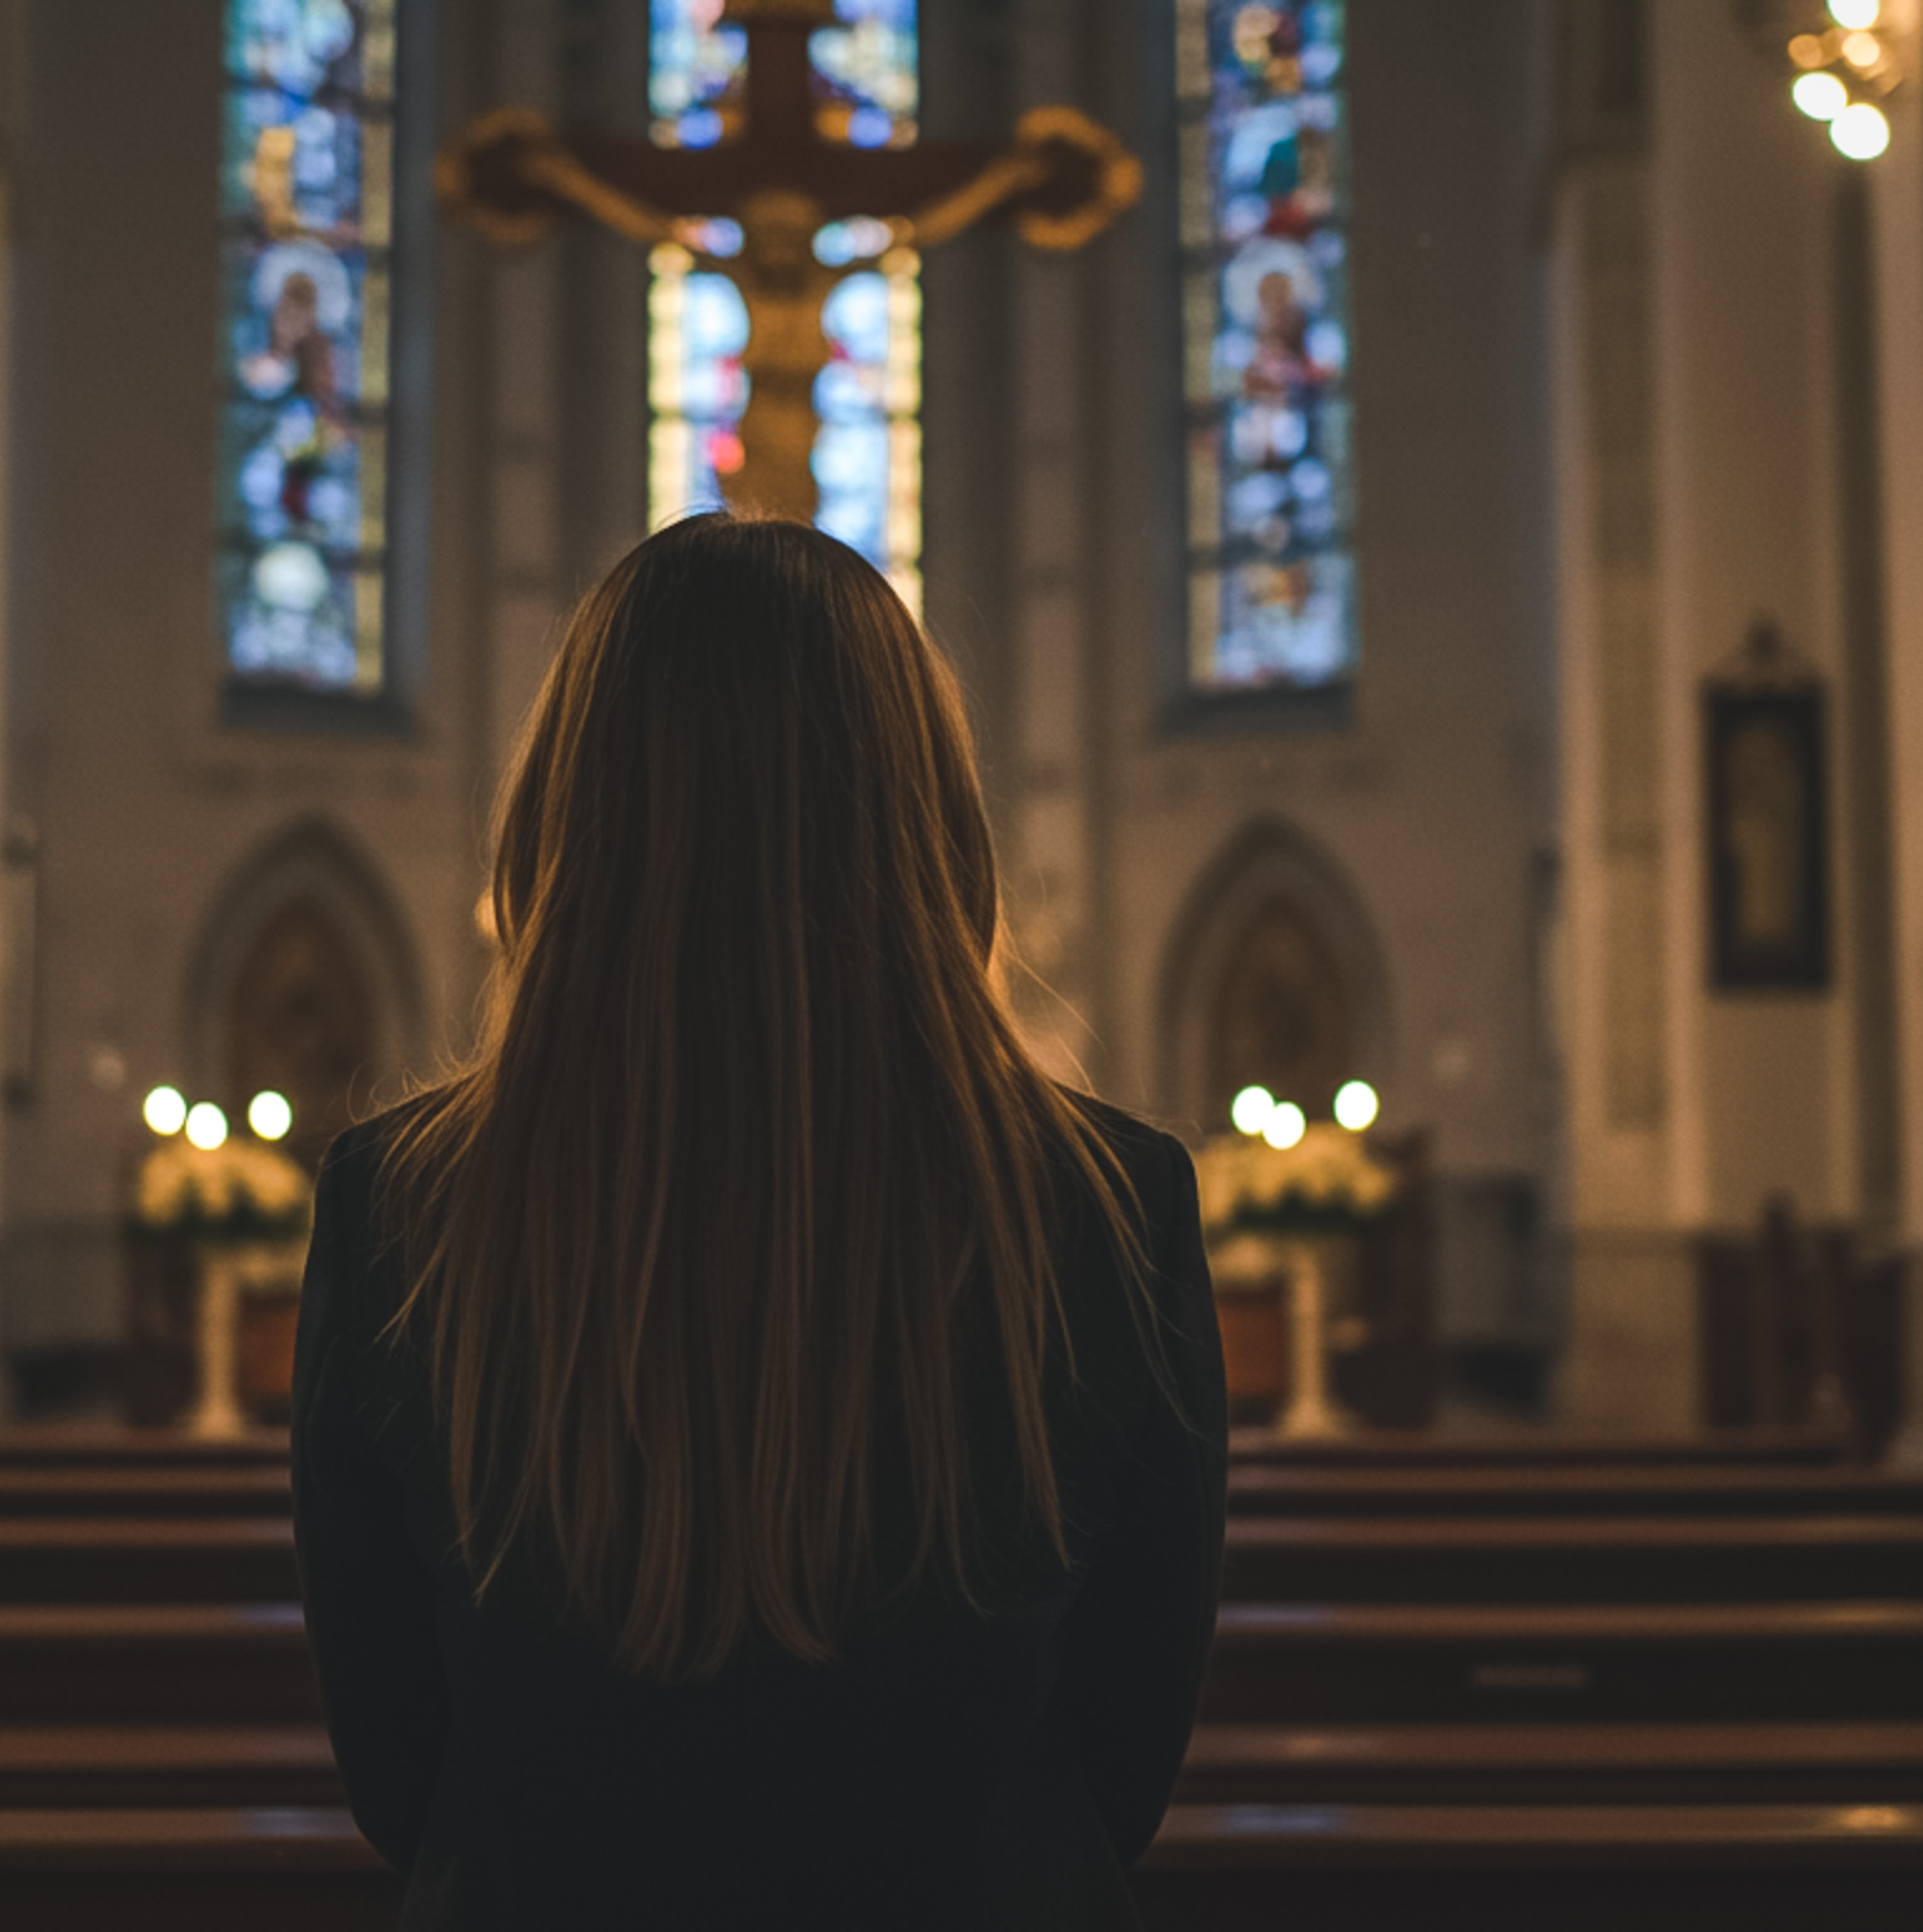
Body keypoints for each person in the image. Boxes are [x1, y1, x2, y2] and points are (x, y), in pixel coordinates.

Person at [293, 515, 1227, 1930]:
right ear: (926, 814)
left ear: (568, 809)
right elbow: (1119, 1770)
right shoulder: (1115, 1204)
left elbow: (400, 1775)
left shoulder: (396, 1207)